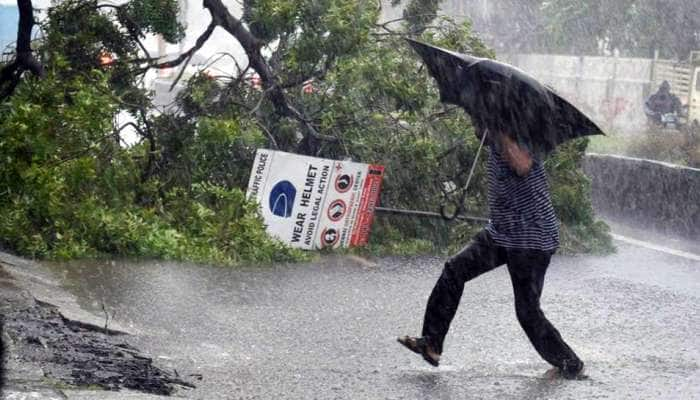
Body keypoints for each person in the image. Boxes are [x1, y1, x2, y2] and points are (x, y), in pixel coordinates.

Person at [397, 125, 585, 380]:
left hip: (531, 237)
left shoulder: (520, 135)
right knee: (455, 270)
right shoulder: (496, 141)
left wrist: (502, 132)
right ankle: (431, 344)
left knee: (527, 311)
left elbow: (522, 165)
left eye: (479, 121)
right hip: (501, 232)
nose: (475, 127)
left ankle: (569, 363)